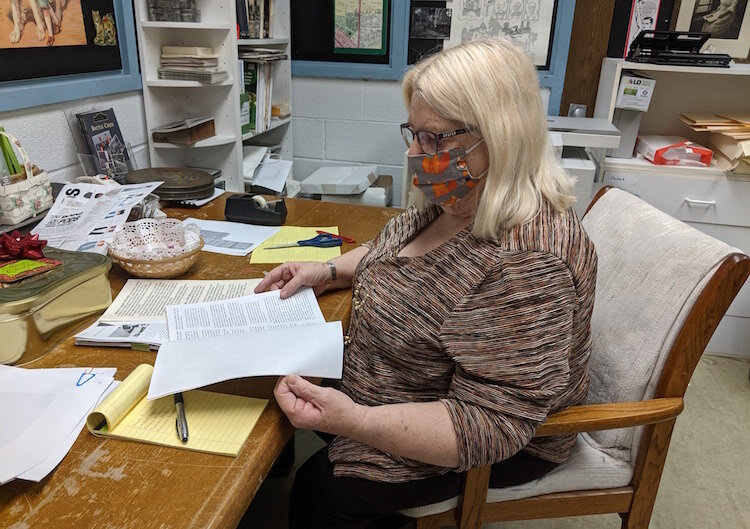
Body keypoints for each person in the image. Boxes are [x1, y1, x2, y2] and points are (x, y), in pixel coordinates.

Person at [254, 38, 597, 529]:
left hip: (487, 436)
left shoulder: (527, 265)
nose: (416, 156)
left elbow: (492, 423)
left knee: (319, 493)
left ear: (499, 137)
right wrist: (329, 270)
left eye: (434, 138)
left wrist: (353, 420)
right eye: (413, 134)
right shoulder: (460, 196)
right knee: (283, 385)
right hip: (401, 382)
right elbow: (392, 252)